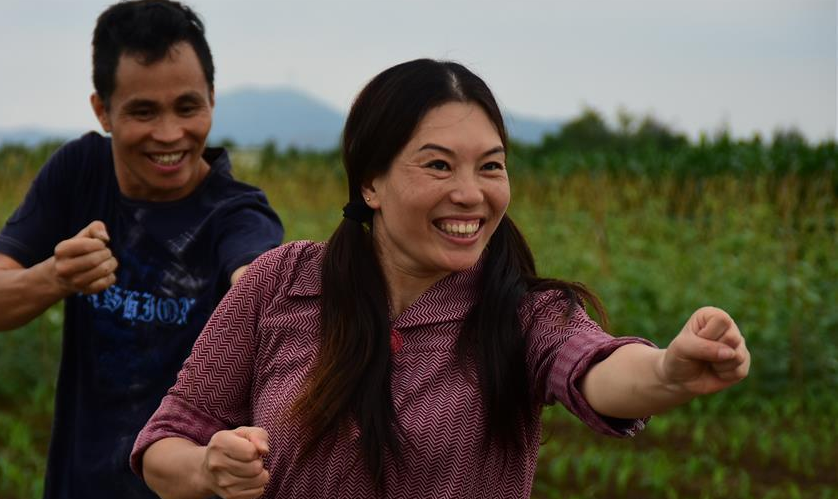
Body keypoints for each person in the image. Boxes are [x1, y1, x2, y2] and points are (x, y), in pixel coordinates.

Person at [130, 59, 750, 499]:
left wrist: (668, 371)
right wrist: (210, 468)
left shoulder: (525, 312)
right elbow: (166, 443)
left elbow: (597, 370)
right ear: (370, 182)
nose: (470, 194)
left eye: (491, 167)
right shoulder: (281, 282)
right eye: (438, 165)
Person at [0, 0, 283, 498]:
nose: (170, 134)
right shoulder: (79, 172)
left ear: (212, 99)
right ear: (103, 110)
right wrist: (56, 275)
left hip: (189, 482)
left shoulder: (239, 214)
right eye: (143, 111)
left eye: (187, 106)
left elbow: (261, 284)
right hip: (79, 481)